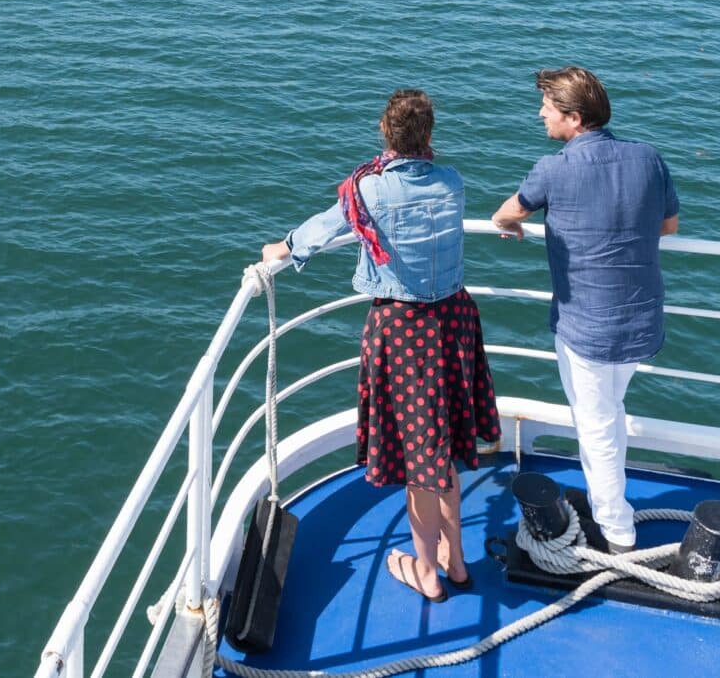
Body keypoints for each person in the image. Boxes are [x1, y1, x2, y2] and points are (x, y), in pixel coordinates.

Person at [261, 89, 500, 604]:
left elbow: (325, 227)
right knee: (450, 451)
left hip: (404, 332)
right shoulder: (453, 183)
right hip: (454, 322)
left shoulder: (367, 190)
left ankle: (427, 572)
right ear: (430, 136)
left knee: (421, 462)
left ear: (385, 134)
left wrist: (280, 249)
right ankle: (456, 562)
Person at [490, 66, 678, 554]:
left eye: (548, 109)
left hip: (586, 327)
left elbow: (507, 213)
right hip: (641, 320)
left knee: (595, 427)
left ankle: (617, 530)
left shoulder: (554, 169)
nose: (541, 115)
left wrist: (508, 225)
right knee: (609, 412)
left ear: (574, 118)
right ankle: (610, 505)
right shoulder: (648, 159)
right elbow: (669, 226)